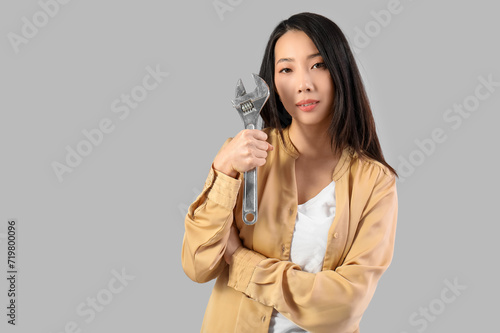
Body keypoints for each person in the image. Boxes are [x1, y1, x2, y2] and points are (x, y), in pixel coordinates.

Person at [181, 12, 399, 333]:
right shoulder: (242, 155)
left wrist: (239, 260)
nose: (303, 84)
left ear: (341, 72)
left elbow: (343, 307)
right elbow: (197, 264)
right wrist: (223, 171)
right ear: (273, 86)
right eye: (286, 69)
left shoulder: (375, 182)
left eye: (318, 65)